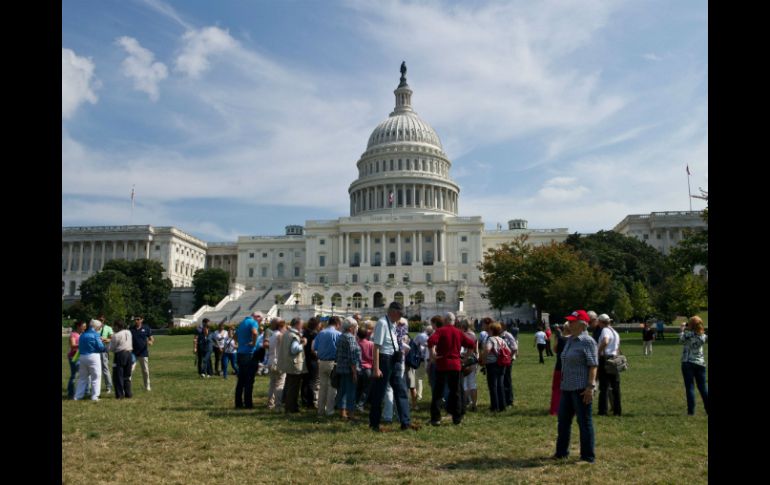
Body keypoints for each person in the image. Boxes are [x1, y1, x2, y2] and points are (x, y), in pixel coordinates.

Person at [554, 310, 598, 464]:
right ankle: (561, 452)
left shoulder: (588, 341)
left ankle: (587, 457)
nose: (569, 323)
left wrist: (590, 387)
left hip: (581, 388)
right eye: (570, 321)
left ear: (582, 324)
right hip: (567, 387)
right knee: (563, 421)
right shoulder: (571, 340)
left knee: (584, 422)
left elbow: (593, 365)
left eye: (573, 321)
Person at [368, 302, 418, 432]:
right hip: (384, 359)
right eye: (400, 314)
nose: (401, 317)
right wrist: (376, 368)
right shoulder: (382, 323)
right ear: (393, 312)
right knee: (379, 393)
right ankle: (374, 424)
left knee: (401, 390)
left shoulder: (393, 323)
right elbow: (376, 347)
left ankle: (405, 422)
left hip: (394, 359)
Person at [427, 312, 475, 425]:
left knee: (438, 392)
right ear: (454, 321)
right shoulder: (459, 332)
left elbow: (430, 341)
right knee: (456, 392)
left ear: (445, 320)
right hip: (455, 364)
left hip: (442, 364)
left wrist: (432, 353)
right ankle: (457, 417)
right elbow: (471, 344)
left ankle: (436, 418)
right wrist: (465, 358)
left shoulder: (440, 331)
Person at [313, 316, 342, 417]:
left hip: (321, 362)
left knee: (322, 387)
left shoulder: (321, 333)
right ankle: (329, 411)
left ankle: (320, 410)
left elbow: (314, 348)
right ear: (337, 323)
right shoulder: (338, 334)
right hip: (332, 362)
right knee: (332, 388)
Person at [679, 316, 708, 416]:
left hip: (688, 363)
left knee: (690, 387)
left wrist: (682, 329)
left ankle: (691, 411)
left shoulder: (688, 334)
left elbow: (681, 340)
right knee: (703, 388)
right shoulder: (703, 336)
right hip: (700, 363)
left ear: (690, 325)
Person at [278, 317, 307, 413]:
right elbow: (294, 349)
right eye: (301, 324)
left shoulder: (286, 333)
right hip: (295, 365)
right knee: (294, 388)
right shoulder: (294, 335)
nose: (302, 326)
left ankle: (289, 406)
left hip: (288, 364)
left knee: (289, 386)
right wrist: (303, 344)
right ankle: (291, 408)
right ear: (297, 324)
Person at [234, 311, 263, 409]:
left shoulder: (242, 323)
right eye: (260, 319)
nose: (260, 321)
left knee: (241, 380)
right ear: (256, 317)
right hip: (249, 354)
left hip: (240, 353)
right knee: (249, 380)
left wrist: (240, 344)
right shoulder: (253, 322)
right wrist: (253, 343)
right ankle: (248, 404)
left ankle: (238, 403)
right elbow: (255, 333)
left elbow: (234, 336)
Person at [74, 319, 107, 401]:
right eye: (99, 327)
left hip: (82, 357)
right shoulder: (96, 335)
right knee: (96, 377)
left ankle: (77, 396)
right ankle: (95, 396)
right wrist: (103, 344)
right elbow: (101, 347)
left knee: (82, 377)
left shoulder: (82, 335)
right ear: (96, 327)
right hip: (93, 356)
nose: (99, 328)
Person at [335, 318, 362, 420]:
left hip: (341, 368)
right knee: (351, 391)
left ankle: (342, 412)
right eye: (355, 327)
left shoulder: (341, 336)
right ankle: (350, 413)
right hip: (350, 369)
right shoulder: (350, 338)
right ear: (351, 328)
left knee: (342, 391)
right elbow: (352, 356)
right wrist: (355, 372)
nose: (356, 329)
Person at [596, 313, 622, 416]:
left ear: (601, 322)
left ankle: (603, 410)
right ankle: (617, 410)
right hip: (615, 358)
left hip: (605, 359)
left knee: (604, 387)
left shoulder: (605, 330)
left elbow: (606, 341)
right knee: (615, 386)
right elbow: (618, 346)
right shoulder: (615, 332)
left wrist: (598, 351)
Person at [481, 322, 510, 413]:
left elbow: (487, 349)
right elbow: (508, 350)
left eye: (489, 329)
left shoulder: (491, 339)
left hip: (492, 364)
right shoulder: (502, 340)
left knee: (493, 386)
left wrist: (483, 359)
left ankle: (494, 406)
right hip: (502, 364)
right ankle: (502, 406)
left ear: (492, 330)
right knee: (500, 385)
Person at [549, 323, 570, 416]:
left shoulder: (560, 339)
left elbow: (555, 349)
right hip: (570, 368)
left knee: (556, 389)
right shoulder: (574, 340)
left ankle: (555, 410)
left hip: (559, 367)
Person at [109, 319, 133, 399]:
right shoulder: (128, 332)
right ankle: (128, 393)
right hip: (129, 354)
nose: (113, 328)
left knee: (118, 375)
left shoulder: (116, 335)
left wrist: (108, 343)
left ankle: (119, 395)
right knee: (127, 375)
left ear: (117, 326)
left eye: (114, 326)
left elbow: (112, 348)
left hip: (120, 354)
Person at [129, 316, 154, 391]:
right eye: (135, 319)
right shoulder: (131, 329)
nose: (136, 321)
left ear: (142, 320)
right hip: (133, 353)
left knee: (145, 370)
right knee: (130, 370)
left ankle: (147, 386)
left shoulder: (146, 328)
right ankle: (127, 386)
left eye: (138, 319)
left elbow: (151, 338)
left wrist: (150, 342)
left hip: (143, 353)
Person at [266, 318, 286, 410]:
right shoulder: (280, 336)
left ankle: (270, 404)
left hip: (270, 361)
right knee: (279, 385)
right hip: (278, 362)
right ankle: (278, 405)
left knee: (272, 384)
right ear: (281, 326)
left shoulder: (271, 336)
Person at [301, 317, 321, 409]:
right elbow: (314, 349)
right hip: (313, 359)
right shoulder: (314, 334)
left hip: (305, 358)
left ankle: (304, 399)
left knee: (306, 380)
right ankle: (310, 401)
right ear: (316, 325)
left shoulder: (305, 332)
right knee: (312, 381)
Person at [67, 320, 87, 399]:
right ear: (79, 326)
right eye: (83, 326)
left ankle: (85, 391)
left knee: (83, 375)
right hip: (74, 357)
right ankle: (71, 392)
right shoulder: (73, 334)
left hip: (81, 357)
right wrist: (82, 345)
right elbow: (72, 345)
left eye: (85, 326)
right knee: (74, 375)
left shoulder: (83, 334)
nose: (85, 328)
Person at [355, 325, 374, 412]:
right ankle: (360, 404)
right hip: (368, 369)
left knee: (358, 387)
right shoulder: (371, 344)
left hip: (358, 368)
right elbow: (373, 357)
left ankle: (356, 403)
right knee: (366, 388)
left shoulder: (356, 344)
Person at [97, 315, 114, 394]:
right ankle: (93, 387)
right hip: (94, 351)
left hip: (103, 351)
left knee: (105, 368)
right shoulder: (94, 328)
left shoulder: (108, 328)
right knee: (94, 369)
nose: (100, 321)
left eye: (102, 320)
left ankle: (109, 386)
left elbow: (112, 338)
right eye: (99, 319)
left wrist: (105, 339)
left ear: (104, 320)